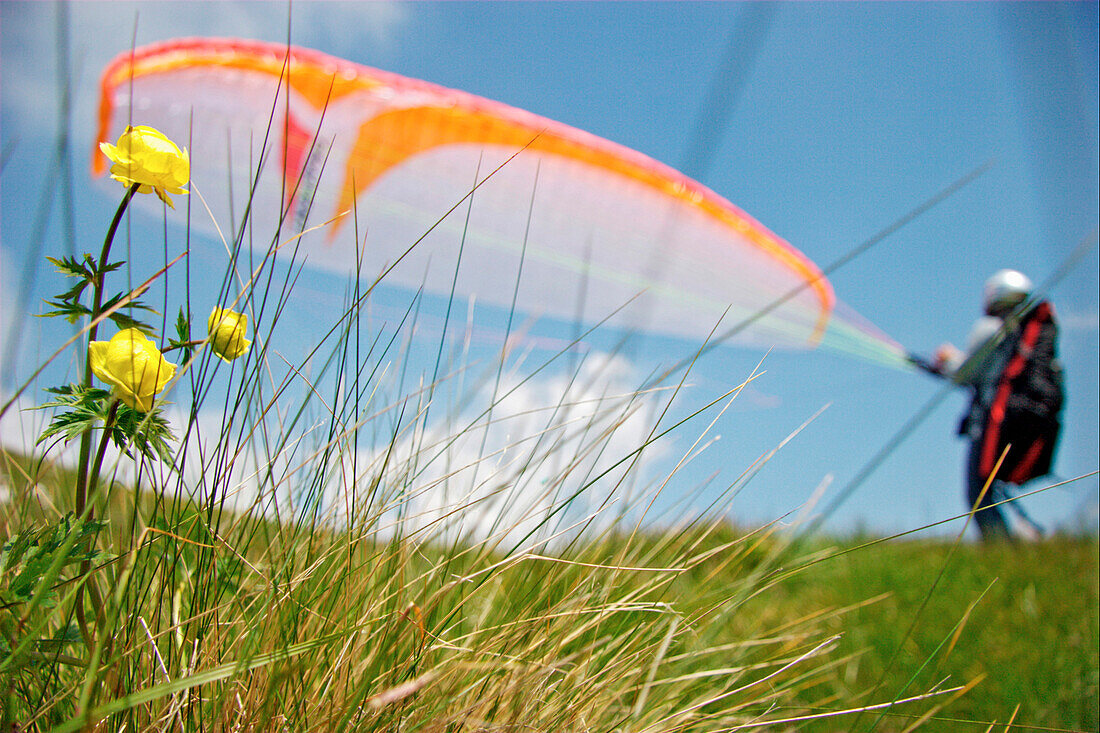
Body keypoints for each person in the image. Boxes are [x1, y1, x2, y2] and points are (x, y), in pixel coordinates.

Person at [911, 269, 1064, 541]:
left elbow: (966, 373)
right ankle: (1013, 544)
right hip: (1021, 421)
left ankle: (1001, 551)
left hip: (993, 421)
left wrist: (946, 360)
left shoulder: (990, 328)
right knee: (989, 490)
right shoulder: (1024, 333)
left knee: (978, 494)